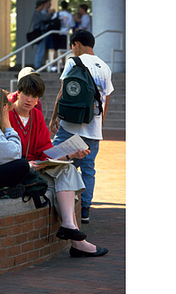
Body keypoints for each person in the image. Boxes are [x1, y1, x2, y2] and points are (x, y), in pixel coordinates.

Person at [8, 74, 108, 257]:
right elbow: (1, 150)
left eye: (35, 96)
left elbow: (46, 150)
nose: (30, 100)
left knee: (68, 168)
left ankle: (68, 225)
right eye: (26, 95)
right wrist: (24, 164)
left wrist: (71, 154)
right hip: (16, 170)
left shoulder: (36, 116)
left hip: (37, 167)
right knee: (63, 184)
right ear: (18, 93)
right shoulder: (6, 115)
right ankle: (78, 243)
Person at [49, 30, 114, 224]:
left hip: (70, 127)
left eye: (72, 46)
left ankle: (56, 204)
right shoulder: (105, 67)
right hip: (93, 130)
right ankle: (84, 210)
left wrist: (54, 118)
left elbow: (63, 92)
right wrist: (98, 127)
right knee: (88, 170)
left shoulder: (73, 62)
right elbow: (106, 102)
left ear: (76, 44)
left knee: (54, 163)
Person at [52, 1, 75, 72]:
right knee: (62, 50)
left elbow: (52, 22)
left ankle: (55, 65)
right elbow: (71, 26)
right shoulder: (69, 15)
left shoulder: (57, 14)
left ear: (61, 6)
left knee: (55, 50)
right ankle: (63, 65)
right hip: (64, 34)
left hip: (56, 33)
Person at [32, 1, 55, 69]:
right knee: (40, 50)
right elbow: (45, 18)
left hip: (40, 32)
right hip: (39, 32)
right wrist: (50, 14)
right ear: (40, 6)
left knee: (41, 49)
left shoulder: (37, 13)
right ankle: (37, 66)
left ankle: (38, 65)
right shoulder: (37, 13)